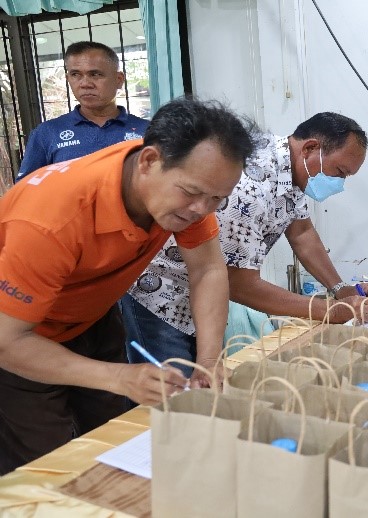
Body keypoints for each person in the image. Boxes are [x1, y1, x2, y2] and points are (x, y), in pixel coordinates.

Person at [0, 97, 254, 475]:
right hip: (23, 336)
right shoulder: (50, 219)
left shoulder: (188, 189)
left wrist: (208, 360)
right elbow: (8, 342)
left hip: (92, 316)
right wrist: (118, 376)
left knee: (109, 438)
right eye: (192, 193)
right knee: (45, 465)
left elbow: (207, 269)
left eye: (217, 198)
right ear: (149, 161)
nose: (202, 210)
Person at [120, 112, 368, 370]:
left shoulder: (292, 170)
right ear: (310, 148)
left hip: (203, 295)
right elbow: (240, 283)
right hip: (162, 295)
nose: (339, 183)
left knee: (203, 377)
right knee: (171, 390)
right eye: (339, 172)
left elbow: (302, 232)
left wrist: (340, 288)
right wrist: (329, 310)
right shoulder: (250, 185)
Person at [15, 41, 149, 182]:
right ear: (68, 79)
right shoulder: (47, 133)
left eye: (95, 74)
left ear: (119, 79)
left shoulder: (147, 131)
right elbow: (26, 188)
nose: (85, 84)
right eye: (75, 74)